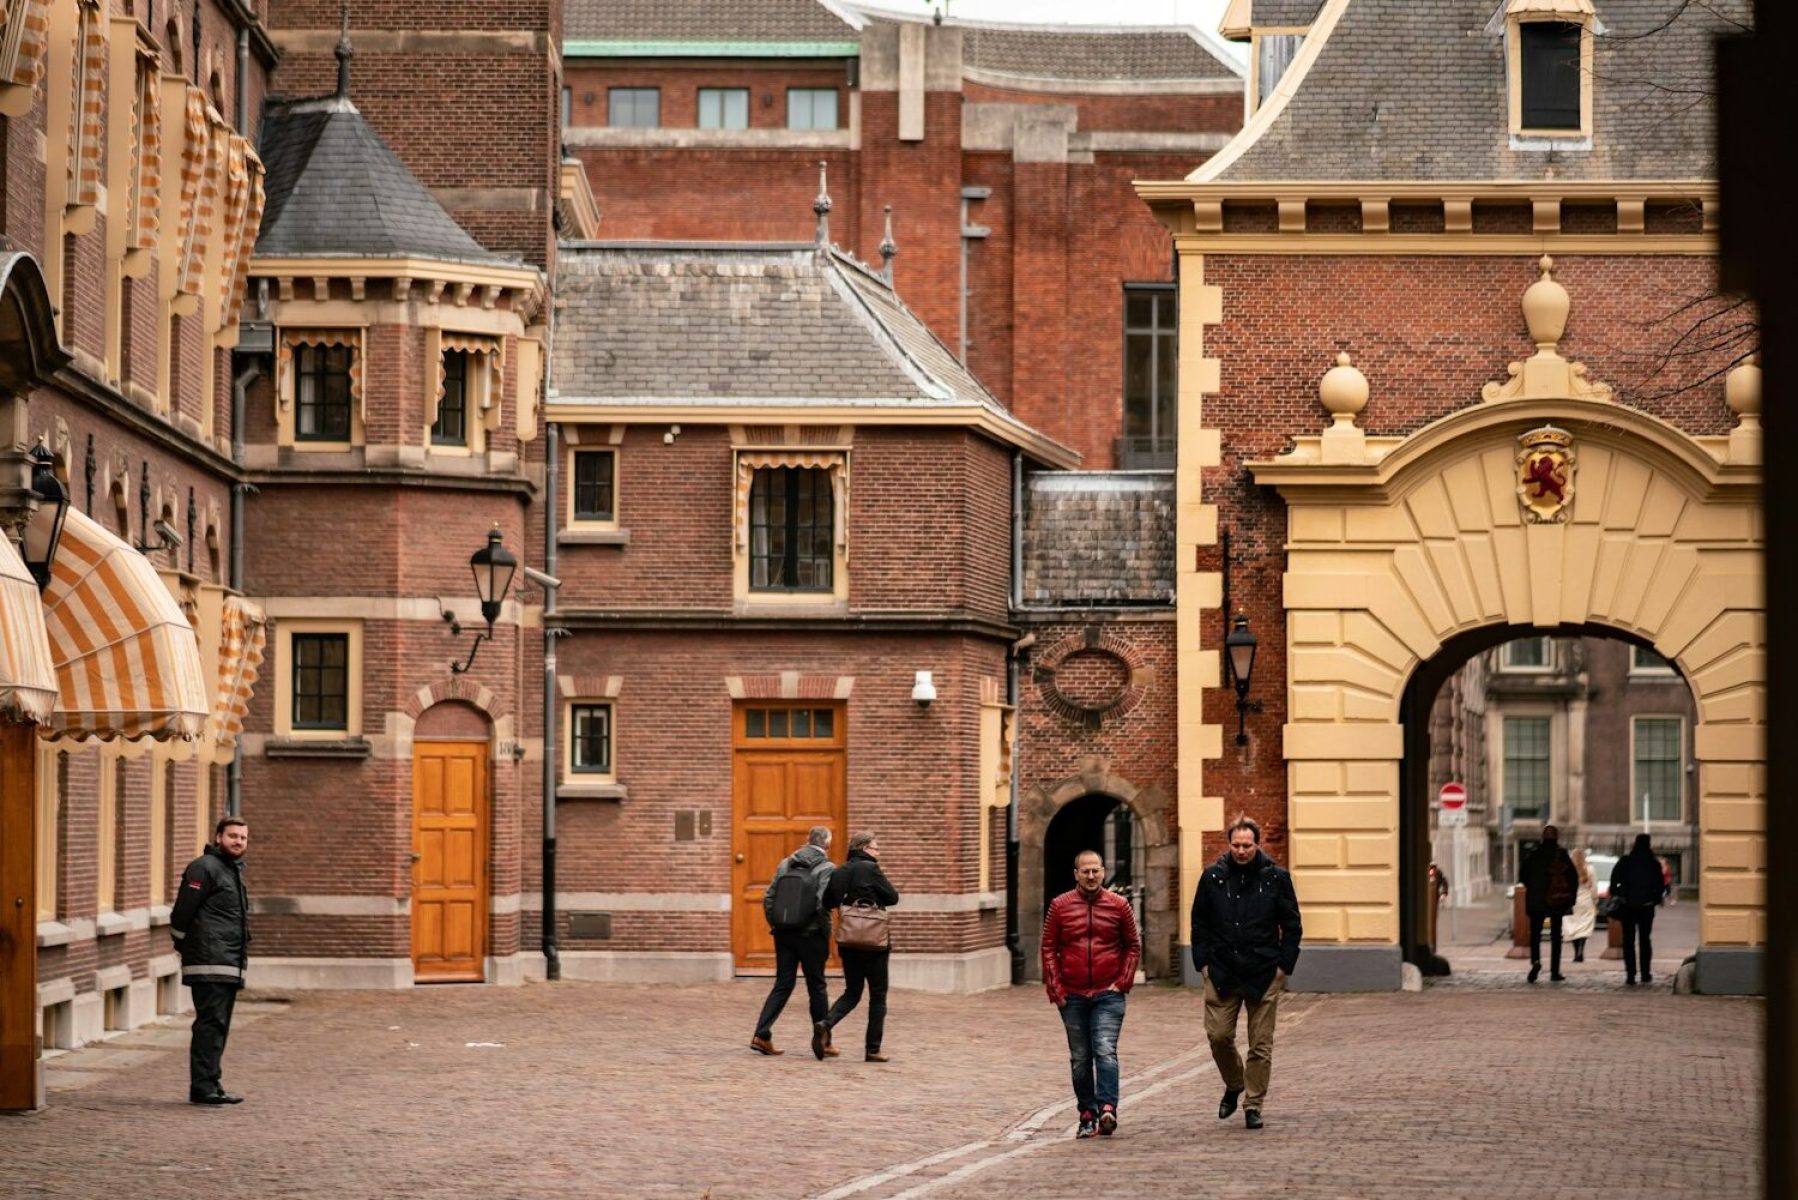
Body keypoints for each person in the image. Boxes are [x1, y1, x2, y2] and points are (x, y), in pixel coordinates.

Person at [1191, 815, 1302, 1131]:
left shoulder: (1276, 879)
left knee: (1261, 1045)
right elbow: (1199, 921)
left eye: (1247, 845)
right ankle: (1235, 1082)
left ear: (1257, 844)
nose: (1241, 851)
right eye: (1236, 845)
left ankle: (1253, 1104)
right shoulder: (1212, 877)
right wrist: (1203, 963)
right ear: (1229, 844)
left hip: (1264, 970)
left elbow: (1292, 925)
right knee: (1219, 1036)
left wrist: (1284, 967)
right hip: (1222, 970)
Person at [1042, 849, 1141, 1139]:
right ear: (1076, 874)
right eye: (1085, 871)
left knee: (1105, 1050)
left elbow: (1132, 945)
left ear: (1104, 871)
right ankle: (1087, 1114)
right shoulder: (1059, 906)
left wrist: (1122, 982)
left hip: (1108, 992)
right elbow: (1048, 947)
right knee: (1081, 1057)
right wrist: (1056, 989)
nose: (1090, 875)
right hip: (1071, 994)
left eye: (1095, 870)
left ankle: (1108, 1108)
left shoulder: (1119, 906)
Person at [171, 816, 252, 1105]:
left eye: (242, 838)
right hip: (210, 961)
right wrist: (182, 943)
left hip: (227, 961)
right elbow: (182, 913)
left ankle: (211, 1084)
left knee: (218, 1025)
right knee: (210, 1024)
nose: (238, 842)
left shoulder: (231, 870)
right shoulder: (204, 868)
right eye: (232, 836)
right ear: (218, 837)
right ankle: (203, 1088)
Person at [750, 826, 835, 1057]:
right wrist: (826, 933)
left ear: (808, 841)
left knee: (782, 984)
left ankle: (761, 1034)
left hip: (783, 934)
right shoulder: (826, 867)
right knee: (816, 986)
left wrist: (777, 925)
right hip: (812, 935)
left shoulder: (785, 863)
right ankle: (824, 1040)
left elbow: (768, 898)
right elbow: (822, 905)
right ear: (826, 844)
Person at [820, 832, 900, 1062]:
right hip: (874, 942)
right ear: (864, 848)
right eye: (876, 848)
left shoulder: (840, 870)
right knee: (878, 995)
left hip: (849, 941)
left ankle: (826, 1023)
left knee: (852, 992)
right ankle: (872, 1049)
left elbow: (828, 901)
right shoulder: (871, 869)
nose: (878, 853)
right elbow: (893, 897)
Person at [1517, 825, 1578, 983]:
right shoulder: (1561, 854)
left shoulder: (1534, 854)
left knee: (1535, 935)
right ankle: (1554, 971)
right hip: (1556, 900)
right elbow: (1573, 878)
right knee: (1556, 936)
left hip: (1536, 901)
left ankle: (1536, 961)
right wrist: (1571, 899)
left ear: (1543, 838)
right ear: (1556, 838)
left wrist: (1533, 887)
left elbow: (1522, 875)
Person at [1612, 834, 1670, 985]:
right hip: (1646, 907)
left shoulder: (1625, 861)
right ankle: (1645, 973)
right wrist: (1654, 899)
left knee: (1628, 940)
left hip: (1628, 906)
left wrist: (1621, 894)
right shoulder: (1653, 864)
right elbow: (1660, 886)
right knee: (1645, 940)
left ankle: (1630, 974)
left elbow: (1614, 882)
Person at [1565, 849, 1597, 964]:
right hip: (1585, 900)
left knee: (1573, 927)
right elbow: (1593, 887)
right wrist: (1594, 899)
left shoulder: (1568, 870)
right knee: (1583, 927)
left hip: (1572, 901)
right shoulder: (1590, 869)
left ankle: (1576, 953)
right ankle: (1580, 951)